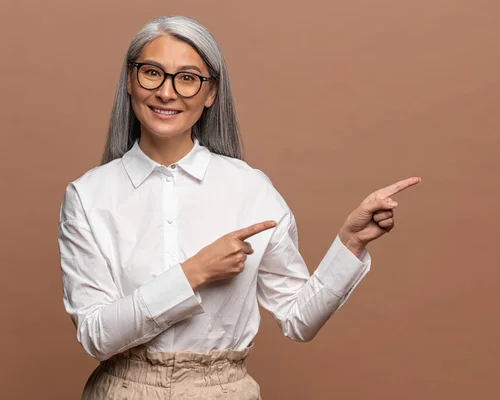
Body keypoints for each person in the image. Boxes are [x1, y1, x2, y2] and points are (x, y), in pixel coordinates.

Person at [57, 15, 420, 400]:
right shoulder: (88, 196)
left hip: (223, 390)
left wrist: (350, 244)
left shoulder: (250, 189)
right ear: (130, 81)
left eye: (187, 78)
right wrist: (195, 272)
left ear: (210, 93)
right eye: (152, 73)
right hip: (123, 389)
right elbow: (96, 337)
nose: (166, 93)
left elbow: (298, 319)